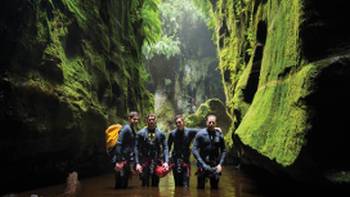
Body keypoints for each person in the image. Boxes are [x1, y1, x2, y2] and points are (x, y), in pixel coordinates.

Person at [192, 114, 226, 189]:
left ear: (216, 123)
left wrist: (220, 164)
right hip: (202, 165)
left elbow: (224, 150)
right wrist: (202, 163)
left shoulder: (219, 135)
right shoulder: (200, 134)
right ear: (206, 122)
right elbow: (194, 149)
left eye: (213, 122)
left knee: (215, 189)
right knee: (200, 190)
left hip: (215, 166)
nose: (211, 124)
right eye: (209, 122)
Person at [135, 113, 169, 187]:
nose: (151, 121)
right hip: (144, 161)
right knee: (144, 183)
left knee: (155, 184)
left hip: (156, 161)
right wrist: (137, 163)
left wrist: (166, 161)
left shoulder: (161, 134)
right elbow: (136, 148)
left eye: (153, 119)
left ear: (155, 121)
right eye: (149, 120)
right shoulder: (140, 134)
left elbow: (165, 147)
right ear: (146, 121)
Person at [167, 114, 199, 188]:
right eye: (177, 123)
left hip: (185, 161)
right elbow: (167, 147)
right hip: (175, 162)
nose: (178, 124)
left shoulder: (189, 132)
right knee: (177, 185)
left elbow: (201, 131)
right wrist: (166, 160)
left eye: (179, 122)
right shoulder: (172, 134)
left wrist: (215, 128)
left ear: (183, 122)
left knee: (185, 186)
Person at [110, 111, 139, 189]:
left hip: (126, 159)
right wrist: (119, 161)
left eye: (137, 119)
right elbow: (119, 143)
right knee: (119, 182)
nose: (136, 121)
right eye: (134, 119)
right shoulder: (126, 129)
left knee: (125, 180)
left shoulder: (132, 129)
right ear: (129, 119)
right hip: (121, 158)